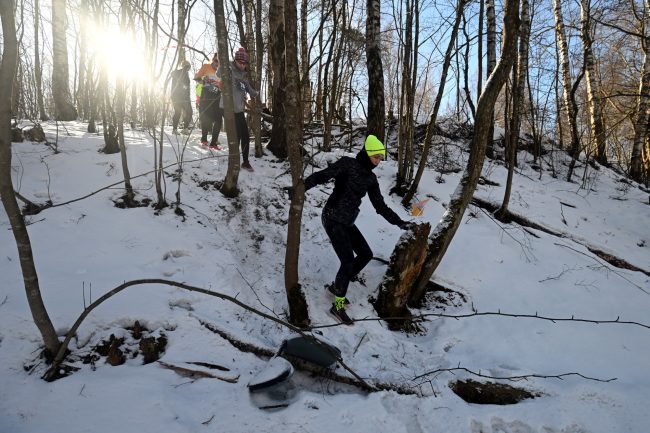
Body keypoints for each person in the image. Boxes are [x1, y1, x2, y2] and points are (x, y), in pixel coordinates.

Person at [292, 135, 411, 325]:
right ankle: (337, 306)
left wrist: (400, 222)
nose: (378, 162)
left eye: (380, 158)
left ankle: (337, 287)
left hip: (347, 222)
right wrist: (301, 188)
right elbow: (324, 174)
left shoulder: (370, 179)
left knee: (365, 254)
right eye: (376, 157)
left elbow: (380, 206)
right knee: (347, 260)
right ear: (367, 153)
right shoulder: (347, 164)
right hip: (332, 217)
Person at [216, 47, 259, 171]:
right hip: (228, 108)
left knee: (245, 135)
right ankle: (234, 160)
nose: (242, 65)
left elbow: (248, 88)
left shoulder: (243, 76)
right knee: (236, 135)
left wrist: (255, 94)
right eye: (240, 62)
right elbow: (218, 74)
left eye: (244, 63)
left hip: (239, 109)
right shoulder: (228, 68)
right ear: (235, 60)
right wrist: (222, 63)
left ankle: (245, 162)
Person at [194, 53, 223, 149]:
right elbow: (197, 78)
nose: (217, 63)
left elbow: (224, 86)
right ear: (213, 60)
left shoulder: (221, 72)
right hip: (206, 94)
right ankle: (204, 139)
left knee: (219, 119)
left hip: (217, 96)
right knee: (206, 118)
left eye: (219, 62)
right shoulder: (206, 66)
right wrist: (204, 82)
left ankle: (213, 143)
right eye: (215, 60)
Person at [170, 60, 193, 135]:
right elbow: (173, 74)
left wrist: (188, 96)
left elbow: (187, 87)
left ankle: (185, 128)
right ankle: (174, 129)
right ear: (183, 66)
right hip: (176, 97)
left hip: (185, 98)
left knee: (189, 112)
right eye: (186, 66)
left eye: (189, 67)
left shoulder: (186, 74)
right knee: (178, 112)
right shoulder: (178, 72)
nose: (188, 68)